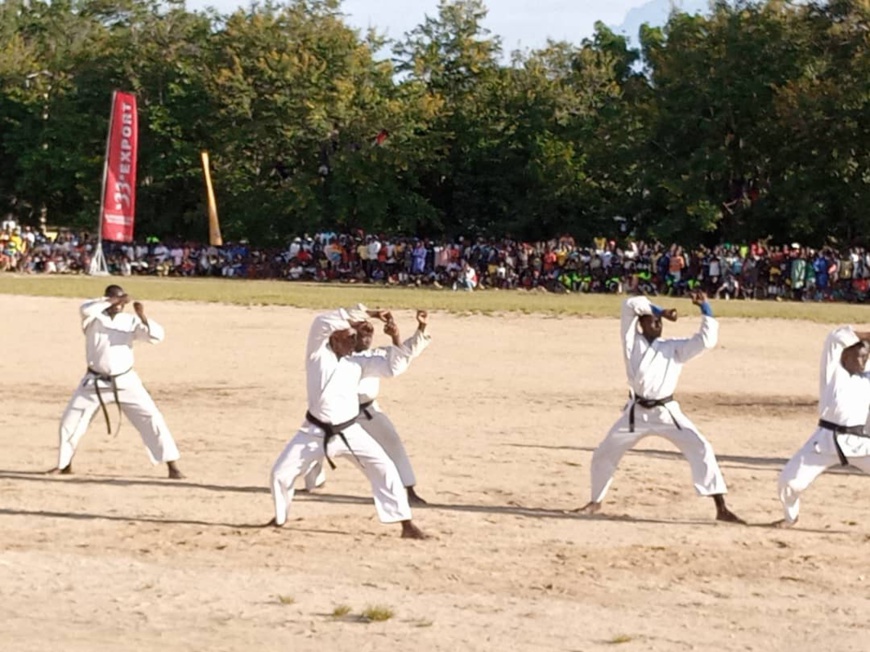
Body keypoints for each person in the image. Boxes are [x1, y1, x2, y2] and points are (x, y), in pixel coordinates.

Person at [576, 291, 743, 522]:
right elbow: (629, 304)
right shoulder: (631, 341)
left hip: (666, 413)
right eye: (652, 320)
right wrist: (660, 310)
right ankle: (596, 501)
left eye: (659, 321)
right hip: (636, 414)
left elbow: (706, 341)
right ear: (641, 324)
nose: (657, 323)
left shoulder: (673, 348)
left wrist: (705, 308)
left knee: (701, 447)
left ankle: (721, 508)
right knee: (604, 453)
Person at [268, 306, 430, 538]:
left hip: (350, 432)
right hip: (313, 432)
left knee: (385, 469)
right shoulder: (317, 355)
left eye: (354, 338)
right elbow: (322, 321)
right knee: (279, 474)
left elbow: (394, 367)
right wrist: (369, 313)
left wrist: (395, 337)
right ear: (334, 338)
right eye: (349, 338)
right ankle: (279, 519)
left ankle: (406, 524)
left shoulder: (358, 362)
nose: (353, 342)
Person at [48, 284, 183, 478]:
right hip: (94, 382)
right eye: (114, 299)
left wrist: (143, 316)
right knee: (70, 422)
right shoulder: (93, 317)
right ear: (107, 299)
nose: (119, 304)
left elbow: (156, 337)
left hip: (125, 381)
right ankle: (64, 464)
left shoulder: (131, 321)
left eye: (121, 300)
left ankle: (172, 466)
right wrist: (113, 300)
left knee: (152, 418)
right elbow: (85, 308)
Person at [303, 314, 430, 504]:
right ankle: (313, 481)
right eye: (362, 335)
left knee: (392, 443)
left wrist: (415, 329)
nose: (367, 339)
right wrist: (366, 314)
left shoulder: (374, 356)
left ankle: (408, 489)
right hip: (333, 413)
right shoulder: (331, 357)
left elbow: (405, 354)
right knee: (312, 443)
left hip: (367, 412)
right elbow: (326, 325)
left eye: (370, 335)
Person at [775, 326, 870, 528]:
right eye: (859, 356)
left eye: (866, 357)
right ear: (845, 355)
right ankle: (791, 518)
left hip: (861, 445)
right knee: (788, 482)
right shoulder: (833, 372)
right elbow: (835, 337)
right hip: (824, 443)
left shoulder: (867, 378)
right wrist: (868, 335)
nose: (863, 362)